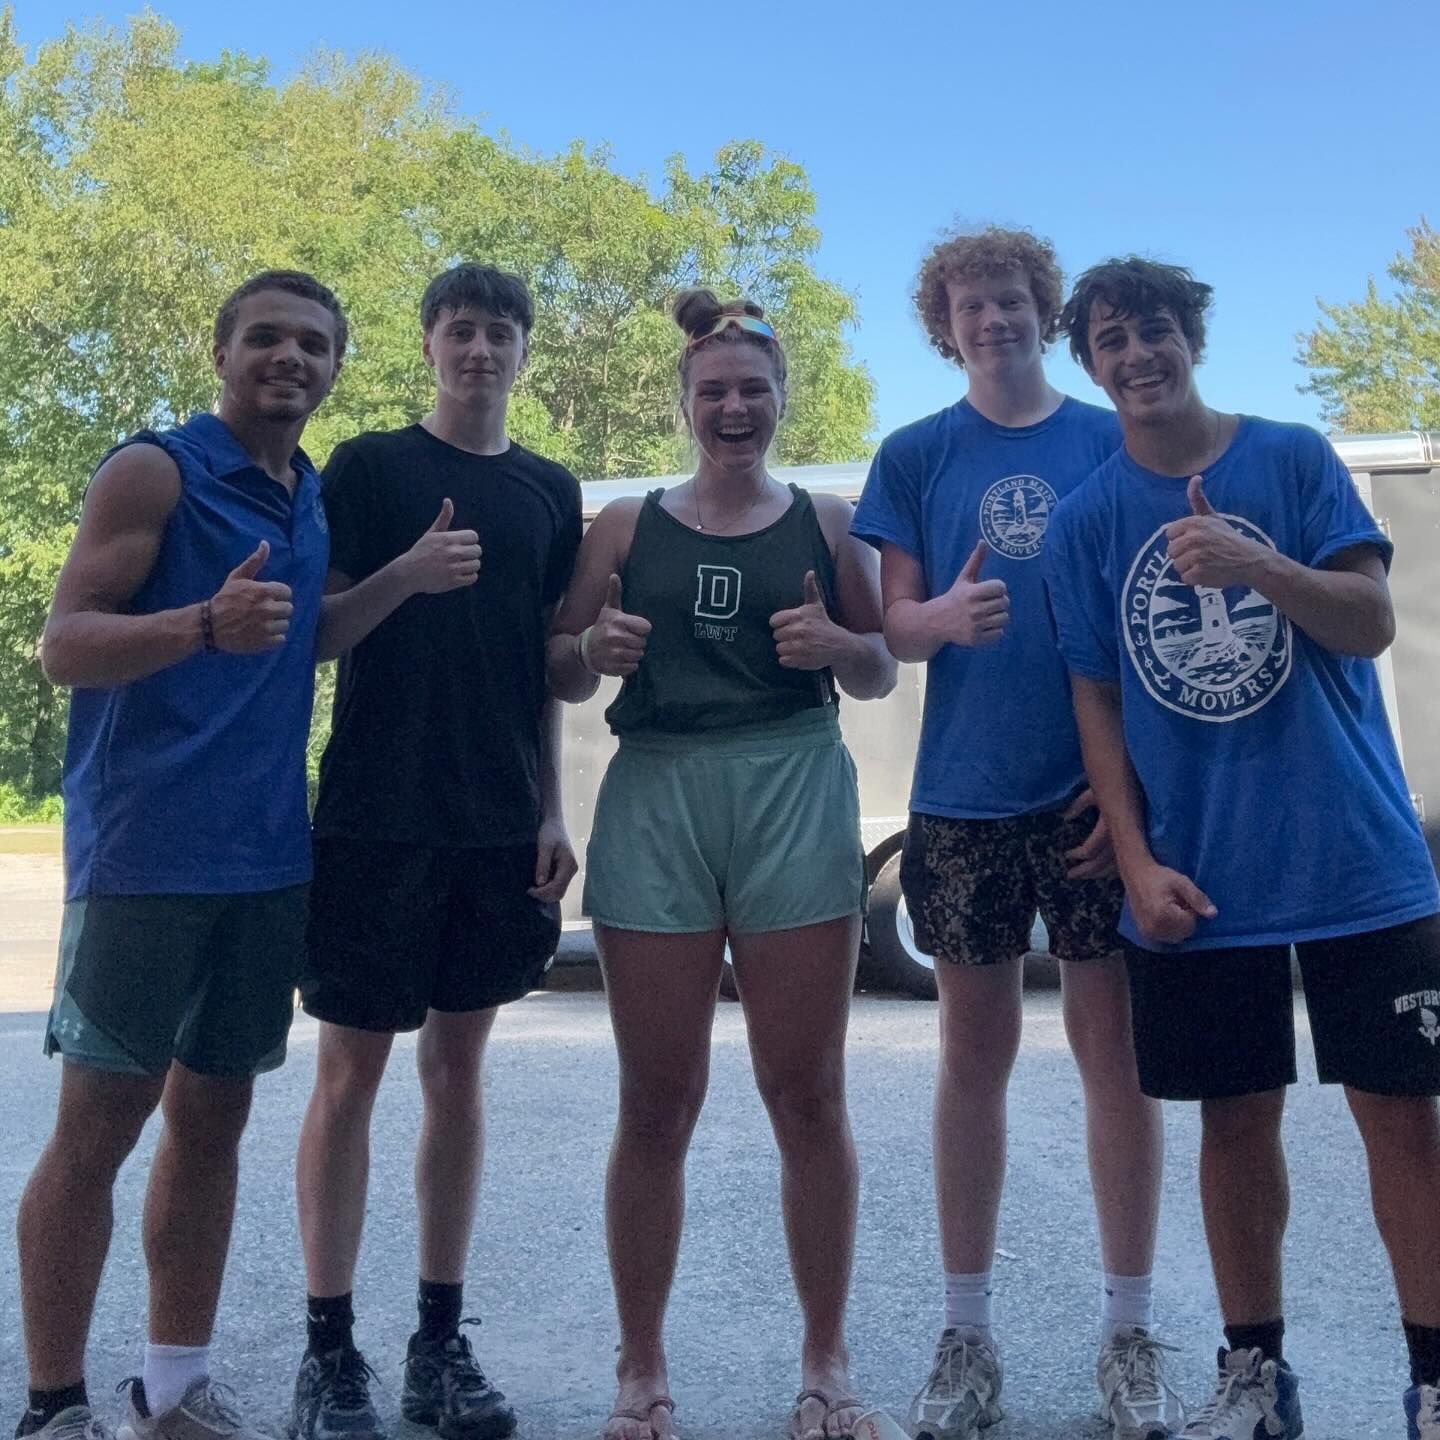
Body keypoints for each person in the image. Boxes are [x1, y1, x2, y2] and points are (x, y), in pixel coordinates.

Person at [16, 270, 483, 1440]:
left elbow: (302, 636)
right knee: (95, 1137)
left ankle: (172, 1389)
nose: (291, 358)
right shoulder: (156, 471)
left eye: (315, 344)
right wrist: (196, 626)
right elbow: (62, 646)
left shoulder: (304, 491)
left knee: (212, 1129)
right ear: (220, 350)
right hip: (145, 860)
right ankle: (54, 1405)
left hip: (268, 859)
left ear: (335, 366)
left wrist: (400, 581)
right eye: (266, 338)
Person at [1045, 255, 1440, 1440]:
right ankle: (1257, 1378)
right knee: (1232, 1124)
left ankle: (1432, 1380)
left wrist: (1261, 566)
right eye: (1111, 342)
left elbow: (1370, 624)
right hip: (1201, 879)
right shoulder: (1088, 520)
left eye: (1154, 331)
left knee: (1406, 1121)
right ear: (1094, 365)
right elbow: (1097, 703)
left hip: (1357, 860)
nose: (1136, 356)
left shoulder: (1293, 456)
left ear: (1192, 338)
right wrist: (1133, 854)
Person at [546, 289, 896, 1440]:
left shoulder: (832, 522)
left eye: (755, 389)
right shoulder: (626, 528)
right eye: (714, 392)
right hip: (657, 791)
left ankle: (827, 1363)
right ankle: (640, 1369)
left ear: (783, 400)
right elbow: (555, 666)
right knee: (657, 1098)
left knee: (808, 1093)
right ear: (685, 404)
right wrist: (590, 648)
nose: (734, 407)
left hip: (794, 782)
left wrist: (843, 645)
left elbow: (878, 673)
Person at [851, 228, 1180, 1440]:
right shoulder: (916, 452)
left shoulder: (1110, 437)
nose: (990, 318)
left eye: (1010, 300)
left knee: (1117, 1062)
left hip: (1096, 800)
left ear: (1045, 315)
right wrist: (935, 613)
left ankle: (1129, 1332)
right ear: (944, 325)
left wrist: (1132, 788)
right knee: (970, 1065)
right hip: (966, 799)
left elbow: (1154, 617)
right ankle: (965, 1334)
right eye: (966, 303)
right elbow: (892, 630)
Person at [290, 263, 582, 1440]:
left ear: (522, 351)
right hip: (373, 817)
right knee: (349, 1077)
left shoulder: (548, 490)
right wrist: (407, 575)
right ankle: (329, 1352)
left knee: (458, 1078)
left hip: (498, 821)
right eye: (460, 330)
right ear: (428, 346)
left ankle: (436, 1341)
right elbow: (312, 636)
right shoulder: (367, 467)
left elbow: (549, 669)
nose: (479, 350)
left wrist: (554, 808)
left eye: (499, 331)